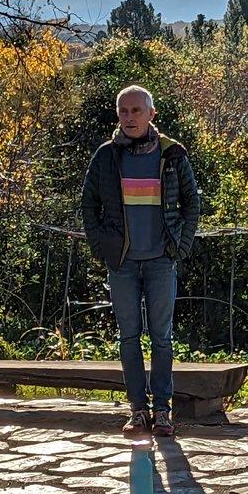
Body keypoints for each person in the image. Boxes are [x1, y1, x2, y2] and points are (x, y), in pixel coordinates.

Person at [81, 84, 200, 437]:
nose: (130, 117)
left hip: (161, 260)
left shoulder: (172, 154)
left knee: (162, 337)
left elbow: (192, 203)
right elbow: (89, 204)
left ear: (152, 115)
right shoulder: (106, 156)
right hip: (123, 262)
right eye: (123, 111)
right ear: (117, 115)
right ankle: (137, 409)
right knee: (129, 336)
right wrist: (101, 247)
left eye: (136, 111)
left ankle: (163, 410)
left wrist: (181, 245)